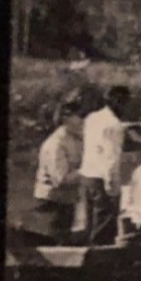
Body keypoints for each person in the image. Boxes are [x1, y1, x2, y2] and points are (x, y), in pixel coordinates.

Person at [77, 85, 141, 244]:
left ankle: (90, 253)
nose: (128, 106)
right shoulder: (114, 126)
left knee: (90, 222)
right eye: (126, 102)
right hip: (102, 179)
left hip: (87, 176)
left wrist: (127, 126)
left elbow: (100, 140)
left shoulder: (92, 118)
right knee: (105, 223)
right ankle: (101, 260)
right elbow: (111, 157)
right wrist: (112, 187)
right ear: (117, 102)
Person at [33, 101, 85, 241]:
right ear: (65, 118)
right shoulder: (55, 144)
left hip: (67, 202)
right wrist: (88, 169)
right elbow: (61, 180)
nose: (84, 120)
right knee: (54, 245)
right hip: (51, 204)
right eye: (80, 116)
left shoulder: (76, 139)